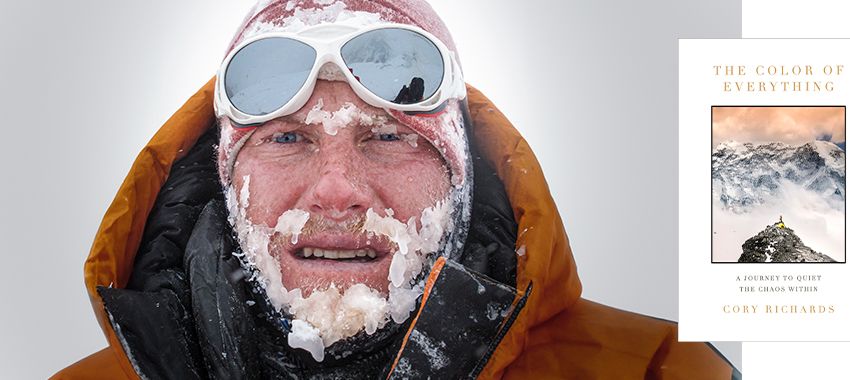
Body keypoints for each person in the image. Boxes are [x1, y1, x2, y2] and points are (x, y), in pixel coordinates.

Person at [54, 1, 738, 378]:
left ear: (460, 173)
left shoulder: (652, 372)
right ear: (227, 179)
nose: (335, 192)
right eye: (288, 140)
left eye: (387, 137)